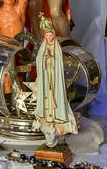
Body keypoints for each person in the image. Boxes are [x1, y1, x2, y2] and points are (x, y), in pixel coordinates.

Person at [33, 15, 77, 145]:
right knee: (46, 100)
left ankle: (57, 122)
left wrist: (51, 61)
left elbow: (58, 64)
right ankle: (46, 121)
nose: (49, 38)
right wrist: (45, 60)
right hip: (46, 81)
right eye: (47, 36)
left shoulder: (57, 49)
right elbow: (39, 61)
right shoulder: (43, 50)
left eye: (51, 36)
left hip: (55, 81)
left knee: (55, 99)